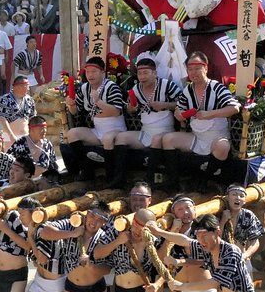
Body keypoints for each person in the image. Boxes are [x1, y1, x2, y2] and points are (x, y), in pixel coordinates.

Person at [160, 52, 241, 191]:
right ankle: (173, 181)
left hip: (217, 137)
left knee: (222, 147)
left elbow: (234, 108)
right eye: (190, 69)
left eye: (197, 68)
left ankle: (204, 180)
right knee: (168, 139)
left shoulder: (217, 87)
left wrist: (210, 114)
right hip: (197, 137)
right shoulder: (188, 90)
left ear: (206, 68)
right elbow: (179, 109)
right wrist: (179, 114)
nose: (193, 73)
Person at [160, 196, 219, 292]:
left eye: (188, 208)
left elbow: (204, 258)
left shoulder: (203, 229)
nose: (185, 212)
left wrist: (178, 261)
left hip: (203, 289)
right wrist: (173, 232)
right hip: (182, 291)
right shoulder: (169, 232)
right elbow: (161, 257)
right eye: (180, 209)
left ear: (194, 209)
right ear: (174, 214)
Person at [118, 57, 182, 186]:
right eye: (140, 73)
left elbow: (182, 103)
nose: (142, 77)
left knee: (157, 139)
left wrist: (165, 105)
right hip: (146, 131)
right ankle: (120, 177)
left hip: (165, 133)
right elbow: (131, 109)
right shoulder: (136, 89)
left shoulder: (166, 85)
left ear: (154, 73)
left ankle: (150, 178)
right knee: (121, 137)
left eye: (146, 73)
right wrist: (131, 108)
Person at [64, 56, 127, 180]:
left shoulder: (111, 87)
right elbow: (75, 111)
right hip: (97, 130)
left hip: (115, 130)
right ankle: (86, 170)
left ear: (103, 72)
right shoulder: (84, 88)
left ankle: (111, 176)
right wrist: (71, 104)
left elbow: (116, 111)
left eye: (94, 72)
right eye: (87, 72)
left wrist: (98, 101)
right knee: (72, 134)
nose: (90, 75)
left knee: (108, 138)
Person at [8, 115, 59, 182]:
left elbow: (53, 164)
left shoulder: (47, 144)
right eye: (41, 128)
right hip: (23, 184)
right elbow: (9, 165)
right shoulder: (20, 144)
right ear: (31, 129)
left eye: (45, 128)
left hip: (43, 182)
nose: (44, 130)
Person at [0, 76, 37, 142]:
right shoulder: (6, 99)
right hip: (9, 137)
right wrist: (11, 135)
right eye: (27, 86)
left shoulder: (29, 99)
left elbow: (32, 117)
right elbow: (2, 118)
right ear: (19, 86)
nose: (28, 89)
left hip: (26, 136)